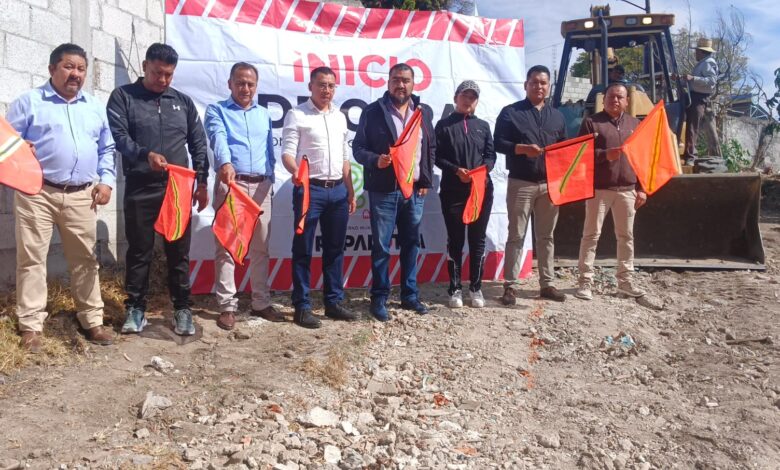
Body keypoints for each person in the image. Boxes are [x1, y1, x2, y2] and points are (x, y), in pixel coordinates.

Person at [7, 43, 116, 352]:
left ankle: (92, 320)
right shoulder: (29, 102)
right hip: (37, 194)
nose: (75, 74)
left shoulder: (94, 107)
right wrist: (19, 151)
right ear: (52, 68)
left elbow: (107, 148)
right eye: (68, 67)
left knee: (85, 260)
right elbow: (6, 144)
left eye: (81, 69)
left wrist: (107, 182)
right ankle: (31, 326)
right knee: (32, 259)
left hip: (82, 195)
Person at [107, 43, 210, 336]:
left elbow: (198, 143)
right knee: (140, 251)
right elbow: (120, 137)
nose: (162, 79)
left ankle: (182, 308)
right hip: (140, 186)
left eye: (168, 74)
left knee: (178, 253)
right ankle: (135, 308)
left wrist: (202, 182)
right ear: (144, 66)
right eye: (157, 73)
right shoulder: (123, 96)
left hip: (177, 188)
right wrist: (145, 155)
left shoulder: (183, 102)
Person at [353, 63, 435, 321]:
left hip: (414, 191)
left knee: (411, 244)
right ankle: (379, 298)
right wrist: (375, 160)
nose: (401, 85)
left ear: (413, 84)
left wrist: (425, 180)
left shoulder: (422, 112)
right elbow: (358, 148)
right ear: (388, 82)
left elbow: (429, 149)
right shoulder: (372, 111)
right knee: (381, 246)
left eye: (406, 80)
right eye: (396, 80)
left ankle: (410, 296)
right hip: (384, 191)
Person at [204, 62, 283, 331]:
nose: (245, 88)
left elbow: (269, 150)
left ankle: (261, 302)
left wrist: (270, 176)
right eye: (240, 83)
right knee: (227, 247)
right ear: (230, 84)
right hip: (232, 185)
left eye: (250, 84)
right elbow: (218, 138)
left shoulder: (263, 114)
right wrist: (225, 164)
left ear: (256, 86)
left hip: (261, 187)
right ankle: (227, 306)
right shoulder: (217, 110)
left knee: (261, 247)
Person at [282, 66, 358, 328]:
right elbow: (287, 153)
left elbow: (345, 158)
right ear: (310, 86)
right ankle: (302, 307)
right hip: (309, 190)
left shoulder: (339, 117)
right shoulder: (297, 114)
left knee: (335, 249)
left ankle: (333, 302)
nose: (327, 90)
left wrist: (350, 190)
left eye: (331, 86)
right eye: (322, 85)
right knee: (303, 249)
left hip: (338, 191)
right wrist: (296, 172)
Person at [494, 65, 568, 305]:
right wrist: (521, 149)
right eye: (534, 82)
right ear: (526, 85)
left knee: (546, 236)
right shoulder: (511, 112)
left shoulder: (557, 116)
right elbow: (497, 143)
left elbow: (565, 148)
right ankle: (510, 286)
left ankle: (547, 284)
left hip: (550, 185)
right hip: (521, 183)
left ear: (549, 86)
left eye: (543, 83)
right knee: (516, 235)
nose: (539, 86)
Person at [575, 82, 647, 300]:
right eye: (611, 96)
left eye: (619, 97)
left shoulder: (635, 124)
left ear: (627, 101)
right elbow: (580, 154)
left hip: (627, 191)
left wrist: (642, 189)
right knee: (591, 235)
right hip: (599, 189)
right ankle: (585, 282)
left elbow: (642, 159)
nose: (615, 100)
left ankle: (625, 282)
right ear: (603, 99)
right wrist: (605, 155)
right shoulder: (591, 123)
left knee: (626, 237)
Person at [434, 80, 496, 308]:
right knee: (456, 240)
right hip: (453, 191)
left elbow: (491, 156)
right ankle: (455, 289)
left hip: (481, 190)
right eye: (465, 96)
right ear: (456, 98)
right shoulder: (443, 125)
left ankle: (476, 288)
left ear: (476, 101)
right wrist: (455, 170)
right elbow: (436, 156)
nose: (468, 100)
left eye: (472, 97)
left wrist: (482, 171)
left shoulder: (483, 126)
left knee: (477, 240)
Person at [681, 37, 719, 165]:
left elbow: (711, 81)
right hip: (693, 96)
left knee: (692, 127)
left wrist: (693, 78)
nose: (695, 53)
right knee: (688, 126)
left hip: (699, 98)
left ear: (702, 52)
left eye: (697, 51)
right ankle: (687, 153)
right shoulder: (702, 63)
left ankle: (691, 156)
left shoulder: (708, 62)